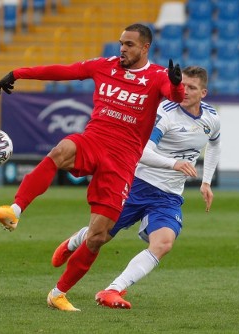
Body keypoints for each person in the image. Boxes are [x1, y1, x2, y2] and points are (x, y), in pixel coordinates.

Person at [0, 23, 185, 311]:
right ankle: (14, 211)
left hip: (122, 161)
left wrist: (176, 84)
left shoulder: (157, 77)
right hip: (94, 140)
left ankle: (57, 294)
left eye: (129, 44)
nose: (122, 49)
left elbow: (175, 96)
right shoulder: (104, 66)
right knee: (60, 150)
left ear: (144, 48)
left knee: (97, 237)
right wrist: (18, 73)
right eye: (121, 43)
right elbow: (62, 71)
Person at [52, 66, 221, 310]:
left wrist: (206, 181)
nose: (184, 91)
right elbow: (142, 151)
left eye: (192, 88)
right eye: (182, 85)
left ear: (203, 92)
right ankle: (73, 242)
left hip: (169, 195)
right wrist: (174, 164)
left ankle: (113, 289)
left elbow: (215, 144)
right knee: (100, 236)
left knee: (163, 243)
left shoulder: (211, 118)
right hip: (137, 185)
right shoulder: (165, 113)